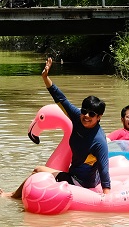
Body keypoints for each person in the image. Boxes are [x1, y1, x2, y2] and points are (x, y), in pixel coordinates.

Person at [11, 57, 111, 198]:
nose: (86, 116)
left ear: (99, 117)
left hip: (81, 183)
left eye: (92, 114)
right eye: (84, 111)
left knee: (38, 170)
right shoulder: (78, 118)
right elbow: (61, 99)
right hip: (75, 174)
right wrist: (45, 78)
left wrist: (106, 195)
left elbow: (104, 167)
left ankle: (12, 196)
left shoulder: (99, 140)